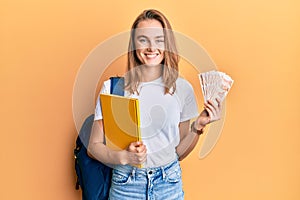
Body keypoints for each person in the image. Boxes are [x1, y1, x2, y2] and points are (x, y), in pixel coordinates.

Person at [88, 9, 222, 200]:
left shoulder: (182, 89)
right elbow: (93, 147)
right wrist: (124, 157)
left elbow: (179, 153)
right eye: (143, 39)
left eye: (159, 39)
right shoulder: (113, 88)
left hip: (168, 184)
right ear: (134, 44)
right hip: (126, 185)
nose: (151, 47)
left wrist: (197, 127)